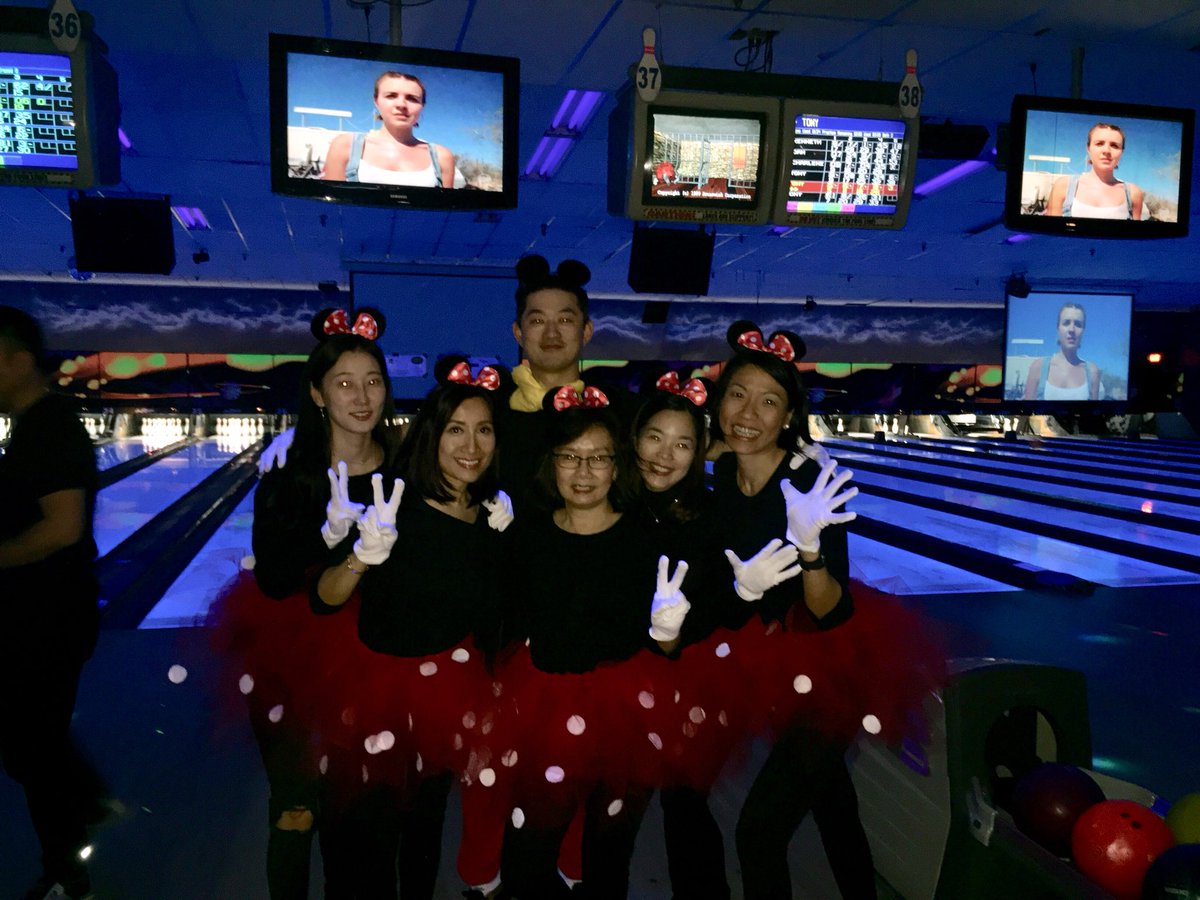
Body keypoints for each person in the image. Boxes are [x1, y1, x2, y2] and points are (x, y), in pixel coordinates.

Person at [212, 306, 401, 899]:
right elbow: (271, 582)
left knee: (365, 815)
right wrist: (323, 536)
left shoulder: (406, 472)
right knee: (297, 809)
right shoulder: (286, 478)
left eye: (372, 380)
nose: (361, 396)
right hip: (293, 662)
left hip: (381, 661)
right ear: (319, 394)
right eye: (344, 383)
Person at [308, 355, 511, 900]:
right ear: (431, 436)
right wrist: (362, 558)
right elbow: (325, 599)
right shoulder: (396, 510)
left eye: (484, 430)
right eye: (455, 431)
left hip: (448, 698)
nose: (471, 447)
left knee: (424, 834)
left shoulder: (494, 516)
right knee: (371, 844)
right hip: (382, 697)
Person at [705, 320, 876, 900]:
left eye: (768, 401)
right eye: (737, 394)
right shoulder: (724, 470)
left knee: (758, 833)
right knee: (832, 804)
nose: (748, 412)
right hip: (768, 663)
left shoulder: (810, 480)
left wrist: (809, 549)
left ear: (787, 417)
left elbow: (833, 612)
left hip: (828, 666)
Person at [498, 391, 688, 899]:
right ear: (552, 464)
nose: (584, 471)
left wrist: (668, 635)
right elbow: (504, 625)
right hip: (545, 709)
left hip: (626, 717)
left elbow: (668, 648)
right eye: (570, 457)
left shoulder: (646, 541)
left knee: (607, 862)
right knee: (524, 861)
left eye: (599, 457)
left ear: (617, 466)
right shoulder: (527, 537)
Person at [0, 306, 102, 900]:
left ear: (17, 360)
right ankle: (85, 802)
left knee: (33, 749)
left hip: (49, 620)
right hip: (37, 618)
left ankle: (68, 873)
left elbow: (63, 529)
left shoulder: (53, 426)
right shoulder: (35, 426)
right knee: (31, 743)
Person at [322, 71, 456, 188]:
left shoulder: (441, 157)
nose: (401, 104)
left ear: (422, 105)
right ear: (376, 101)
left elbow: (445, 214)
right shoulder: (345, 146)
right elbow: (332, 210)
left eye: (412, 98)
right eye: (391, 96)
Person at [1044, 122, 1144, 220]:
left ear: (1122, 152)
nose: (1106, 151)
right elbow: (1051, 233)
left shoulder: (1133, 194)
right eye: (1099, 144)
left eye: (1114, 145)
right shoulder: (1063, 186)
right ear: (1088, 148)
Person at [1022, 301, 1102, 401]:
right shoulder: (1038, 367)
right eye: (1066, 323)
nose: (1072, 329)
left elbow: (1094, 415)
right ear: (1058, 328)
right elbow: (1027, 413)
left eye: (1078, 324)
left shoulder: (1092, 371)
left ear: (1083, 330)